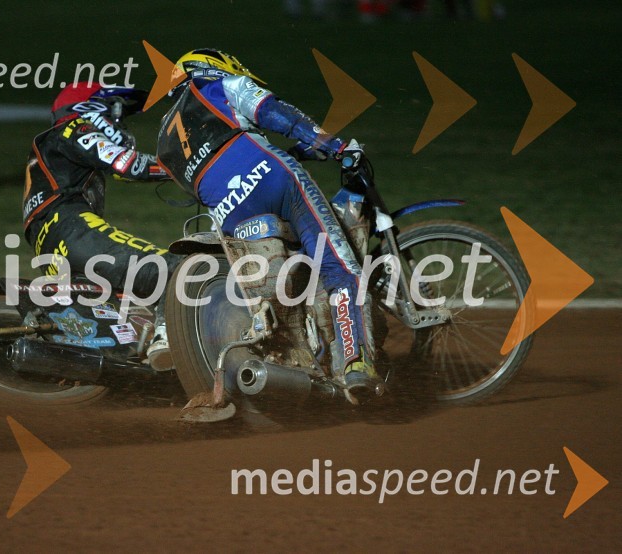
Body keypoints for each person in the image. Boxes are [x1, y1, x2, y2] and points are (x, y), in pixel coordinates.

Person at [156, 49, 384, 402]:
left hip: (230, 212)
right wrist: (335, 146)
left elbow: (223, 166)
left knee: (274, 287)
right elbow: (276, 115)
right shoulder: (218, 85)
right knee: (341, 269)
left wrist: (297, 152)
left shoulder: (165, 142)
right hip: (276, 180)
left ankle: (293, 351)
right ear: (213, 66)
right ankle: (355, 364)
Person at [23, 82, 180, 370]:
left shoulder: (60, 142)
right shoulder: (73, 129)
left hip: (51, 245)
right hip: (72, 229)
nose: (117, 122)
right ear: (89, 110)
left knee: (128, 310)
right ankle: (170, 341)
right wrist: (186, 168)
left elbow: (124, 169)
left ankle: (130, 351)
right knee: (175, 268)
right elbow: (126, 164)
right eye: (114, 113)